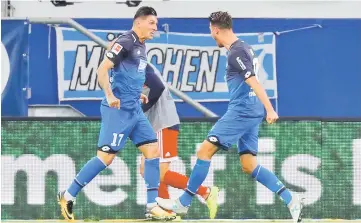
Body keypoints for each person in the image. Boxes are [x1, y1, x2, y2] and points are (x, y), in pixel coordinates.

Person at [156, 11, 304, 223]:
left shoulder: (236, 52)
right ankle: (292, 200)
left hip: (242, 111)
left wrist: (270, 109)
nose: (211, 35)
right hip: (252, 111)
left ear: (216, 29)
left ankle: (184, 202)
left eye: (210, 31)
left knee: (204, 151)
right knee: (249, 164)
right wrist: (263, 109)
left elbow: (253, 81)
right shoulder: (245, 47)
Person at [57, 6, 175, 221]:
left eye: (156, 24)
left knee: (152, 151)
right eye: (151, 23)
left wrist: (136, 94)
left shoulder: (141, 46)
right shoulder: (127, 41)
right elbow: (102, 70)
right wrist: (111, 95)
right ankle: (68, 195)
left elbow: (129, 74)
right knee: (105, 159)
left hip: (134, 110)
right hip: (117, 111)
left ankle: (152, 206)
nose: (155, 28)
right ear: (138, 21)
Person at [140, 64, 219, 219]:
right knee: (146, 169)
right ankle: (166, 212)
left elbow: (157, 86)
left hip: (163, 123)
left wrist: (142, 108)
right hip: (153, 125)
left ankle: (205, 192)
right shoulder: (131, 65)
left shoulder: (139, 63)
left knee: (159, 173)